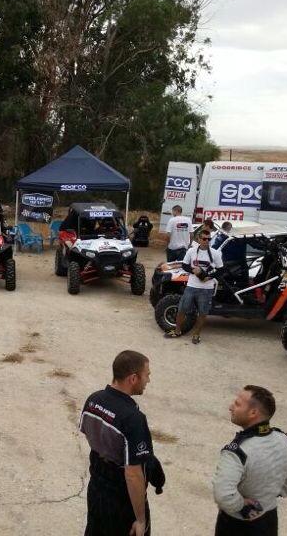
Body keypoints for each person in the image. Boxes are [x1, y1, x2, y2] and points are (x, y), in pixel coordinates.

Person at [79, 350, 164, 536]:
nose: (148, 380)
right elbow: (133, 474)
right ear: (133, 378)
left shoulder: (93, 400)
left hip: (96, 489)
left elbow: (88, 433)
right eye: (147, 375)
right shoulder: (133, 418)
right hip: (121, 500)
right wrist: (140, 519)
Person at [213, 385, 287, 535]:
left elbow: (223, 494)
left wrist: (242, 506)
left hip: (237, 525)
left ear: (253, 412)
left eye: (238, 404)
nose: (230, 407)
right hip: (269, 520)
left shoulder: (237, 452)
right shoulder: (284, 440)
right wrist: (272, 493)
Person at [165, 229, 223, 344]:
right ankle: (177, 331)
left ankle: (196, 334)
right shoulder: (191, 251)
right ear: (199, 239)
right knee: (182, 308)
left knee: (203, 312)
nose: (207, 241)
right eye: (204, 239)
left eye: (209, 239)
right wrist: (194, 271)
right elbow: (184, 265)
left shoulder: (215, 253)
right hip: (191, 285)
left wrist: (209, 277)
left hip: (207, 288)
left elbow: (221, 269)